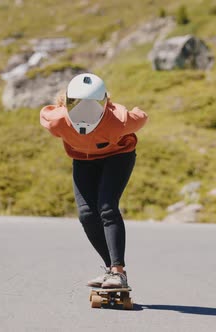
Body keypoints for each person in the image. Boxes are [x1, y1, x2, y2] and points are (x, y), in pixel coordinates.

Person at [39, 73, 148, 289]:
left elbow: (141, 117)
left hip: (118, 156)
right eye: (78, 105)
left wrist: (124, 110)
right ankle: (112, 272)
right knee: (87, 215)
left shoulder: (119, 119)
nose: (85, 113)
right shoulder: (57, 120)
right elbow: (45, 114)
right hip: (83, 160)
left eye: (92, 107)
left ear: (104, 103)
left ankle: (118, 271)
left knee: (107, 208)